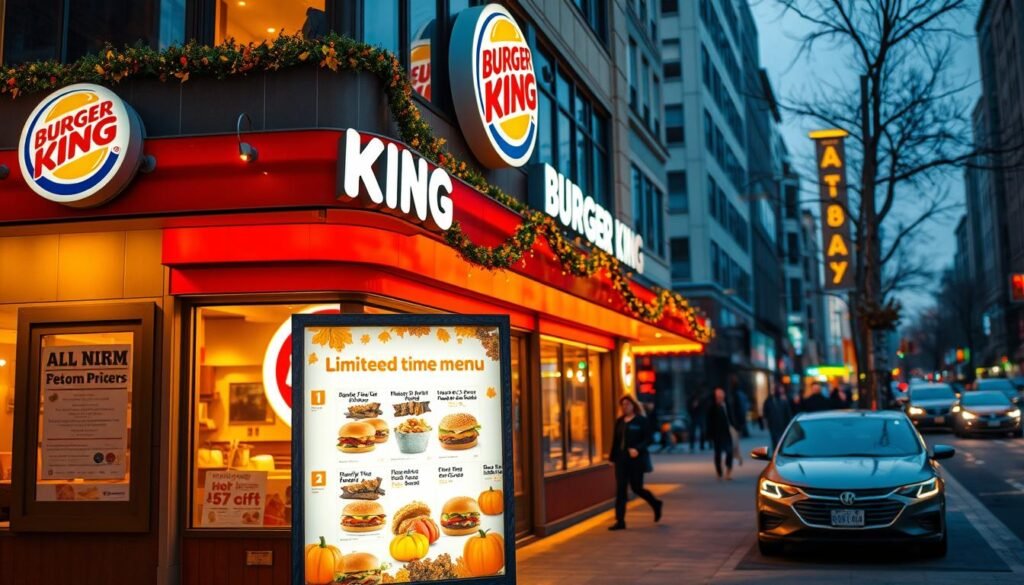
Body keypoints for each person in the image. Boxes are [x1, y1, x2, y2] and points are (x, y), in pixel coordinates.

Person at [608, 395, 663, 530]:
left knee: (636, 488)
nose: (625, 406)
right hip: (621, 460)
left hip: (636, 460)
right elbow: (615, 441)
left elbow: (649, 439)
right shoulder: (619, 422)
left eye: (627, 404)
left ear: (633, 406)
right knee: (621, 489)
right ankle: (620, 521)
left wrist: (638, 449)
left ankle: (656, 503)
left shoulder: (641, 421)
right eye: (623, 404)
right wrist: (612, 458)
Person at [706, 387, 737, 480]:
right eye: (718, 396)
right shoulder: (712, 406)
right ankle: (719, 472)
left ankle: (728, 471)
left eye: (721, 395)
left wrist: (735, 427)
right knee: (718, 453)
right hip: (717, 434)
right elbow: (708, 421)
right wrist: (709, 434)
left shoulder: (727, 404)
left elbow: (731, 417)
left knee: (729, 451)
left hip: (727, 432)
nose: (720, 397)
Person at [762, 385, 793, 449]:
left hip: (783, 423)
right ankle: (776, 451)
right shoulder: (769, 400)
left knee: (782, 439)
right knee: (774, 439)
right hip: (773, 423)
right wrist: (766, 422)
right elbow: (765, 411)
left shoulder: (785, 399)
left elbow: (788, 412)